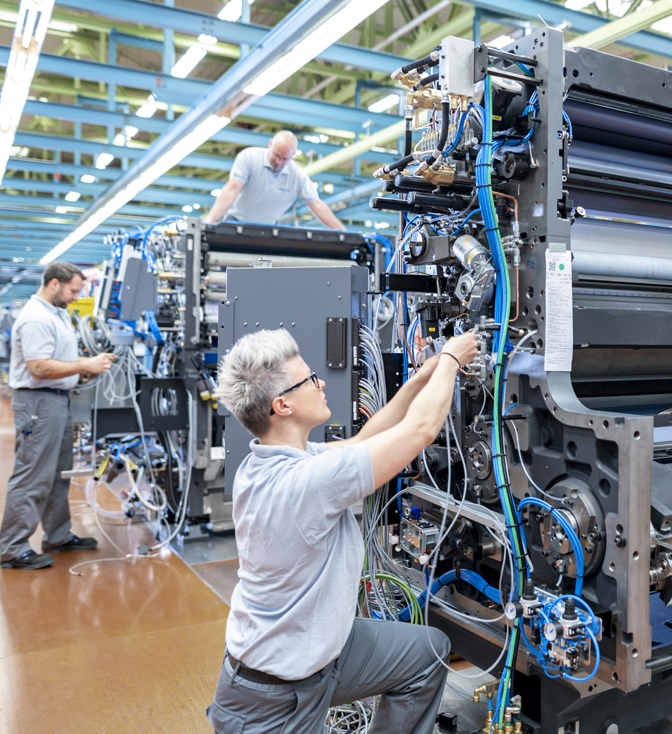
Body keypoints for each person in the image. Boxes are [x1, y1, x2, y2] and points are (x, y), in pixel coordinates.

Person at [207, 327, 478, 734]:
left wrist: (422, 378)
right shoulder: (307, 481)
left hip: (319, 654)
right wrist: (454, 361)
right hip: (271, 699)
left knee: (427, 653)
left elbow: (365, 440)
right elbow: (421, 432)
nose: (320, 383)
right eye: (308, 380)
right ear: (282, 405)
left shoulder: (271, 460)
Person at [0, 262, 117, 570]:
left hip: (57, 401)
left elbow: (59, 359)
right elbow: (39, 366)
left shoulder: (56, 314)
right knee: (32, 475)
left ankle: (58, 535)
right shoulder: (36, 317)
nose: (76, 297)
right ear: (54, 284)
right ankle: (13, 548)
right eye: (73, 290)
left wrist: (88, 363)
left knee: (57, 474)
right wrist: (85, 365)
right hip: (38, 403)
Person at [202, 131, 346, 230]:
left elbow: (317, 205)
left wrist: (344, 233)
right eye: (276, 155)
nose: (278, 162)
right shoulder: (249, 157)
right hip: (236, 223)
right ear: (270, 144)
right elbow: (232, 188)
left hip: (268, 229)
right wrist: (210, 220)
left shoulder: (297, 176)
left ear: (293, 155)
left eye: (284, 159)